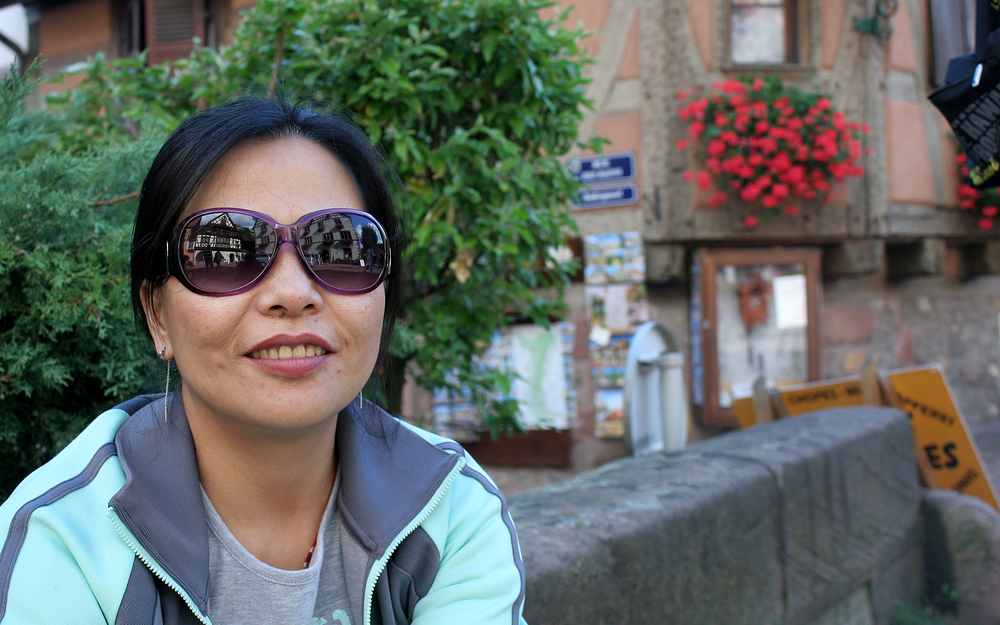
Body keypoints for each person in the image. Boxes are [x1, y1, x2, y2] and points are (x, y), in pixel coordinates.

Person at [0, 97, 527, 625]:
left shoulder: (450, 506)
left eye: (340, 248)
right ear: (157, 314)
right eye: (225, 251)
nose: (293, 294)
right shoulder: (64, 541)